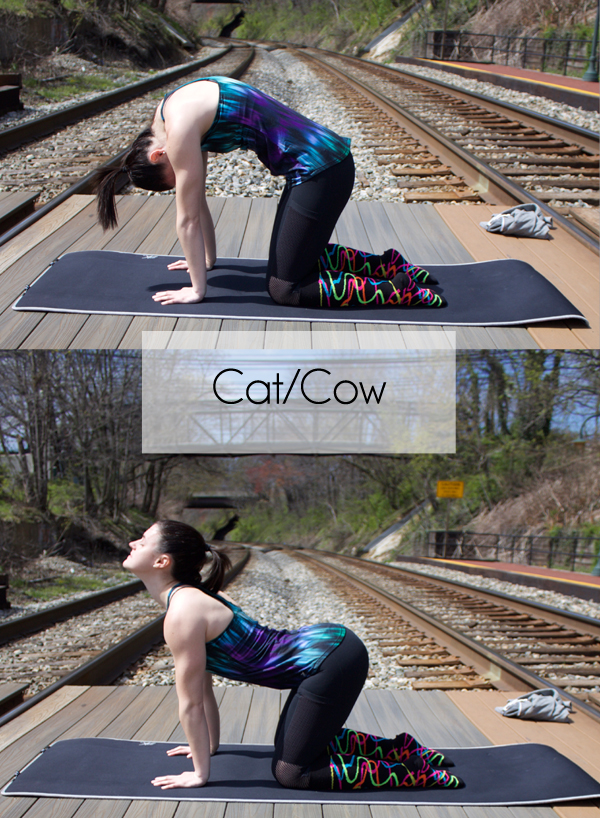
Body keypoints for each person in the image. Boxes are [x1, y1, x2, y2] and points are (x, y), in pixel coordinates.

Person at [123, 520, 463, 792]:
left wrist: (199, 774)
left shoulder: (182, 612)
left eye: (142, 540)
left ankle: (412, 773)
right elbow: (203, 689)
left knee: (291, 771)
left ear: (161, 561)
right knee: (299, 746)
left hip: (329, 661)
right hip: (330, 649)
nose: (132, 544)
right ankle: (403, 750)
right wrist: (208, 748)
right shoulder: (191, 600)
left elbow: (191, 704)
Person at [94, 76, 445, 310]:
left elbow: (185, 220)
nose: (180, 184)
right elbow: (197, 200)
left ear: (158, 155)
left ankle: (400, 288)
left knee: (283, 289)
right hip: (315, 167)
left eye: (172, 180)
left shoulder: (179, 131)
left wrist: (197, 290)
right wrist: (206, 262)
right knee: (292, 264)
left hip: (321, 170)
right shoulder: (169, 111)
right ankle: (389, 265)